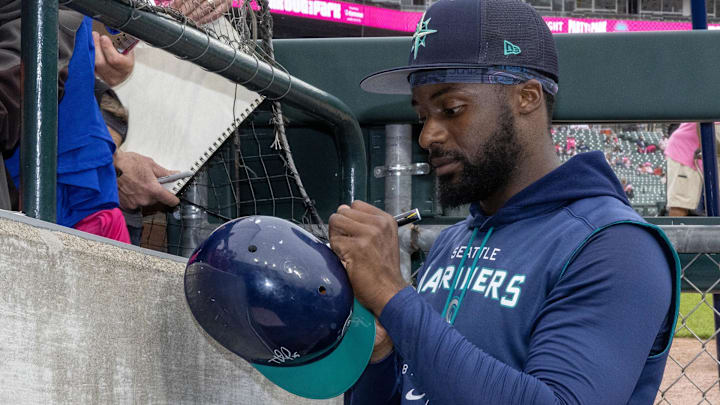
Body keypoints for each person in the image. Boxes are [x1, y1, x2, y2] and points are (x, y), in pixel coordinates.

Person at [329, 0, 679, 403]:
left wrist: (394, 297)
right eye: (423, 115)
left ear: (527, 97)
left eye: (451, 109)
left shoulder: (614, 245)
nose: (427, 137)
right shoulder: (453, 241)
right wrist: (380, 352)